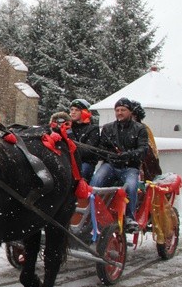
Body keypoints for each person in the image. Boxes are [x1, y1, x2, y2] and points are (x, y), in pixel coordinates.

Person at [90, 97, 149, 232]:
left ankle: (129, 217)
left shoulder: (140, 129)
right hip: (111, 165)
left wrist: (128, 155)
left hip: (130, 167)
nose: (120, 112)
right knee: (95, 182)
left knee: (131, 186)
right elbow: (102, 148)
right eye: (117, 110)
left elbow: (143, 150)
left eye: (123, 110)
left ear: (130, 111)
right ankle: (93, 212)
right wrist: (107, 154)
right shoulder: (108, 128)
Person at [67, 98, 100, 182]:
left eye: (77, 110)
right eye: (71, 109)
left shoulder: (92, 129)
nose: (73, 112)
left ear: (84, 112)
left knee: (79, 175)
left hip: (85, 162)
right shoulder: (67, 126)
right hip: (68, 160)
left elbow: (87, 151)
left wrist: (70, 135)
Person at [130, 100, 162, 181]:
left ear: (136, 116)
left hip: (145, 166)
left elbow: (150, 151)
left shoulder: (143, 129)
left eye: (131, 114)